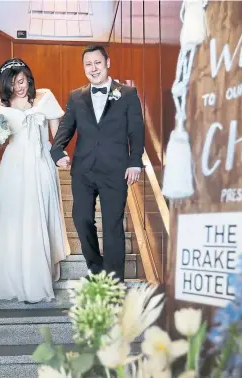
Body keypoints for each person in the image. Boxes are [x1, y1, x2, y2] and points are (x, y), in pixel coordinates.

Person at [50, 45, 145, 282]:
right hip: (83, 169)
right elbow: (65, 128)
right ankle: (95, 268)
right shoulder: (76, 96)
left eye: (97, 63)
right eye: (88, 64)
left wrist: (135, 162)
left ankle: (113, 283)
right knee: (81, 219)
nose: (93, 68)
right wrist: (57, 150)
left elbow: (136, 131)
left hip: (115, 170)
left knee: (112, 225)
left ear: (107, 62)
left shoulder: (128, 94)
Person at [0, 58, 70, 304]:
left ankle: (39, 275)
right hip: (13, 167)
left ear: (28, 78)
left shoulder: (45, 98)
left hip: (41, 162)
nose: (19, 88)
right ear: (5, 86)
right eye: (13, 84)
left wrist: (61, 155)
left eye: (22, 81)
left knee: (38, 214)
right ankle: (15, 276)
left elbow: (58, 135)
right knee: (15, 218)